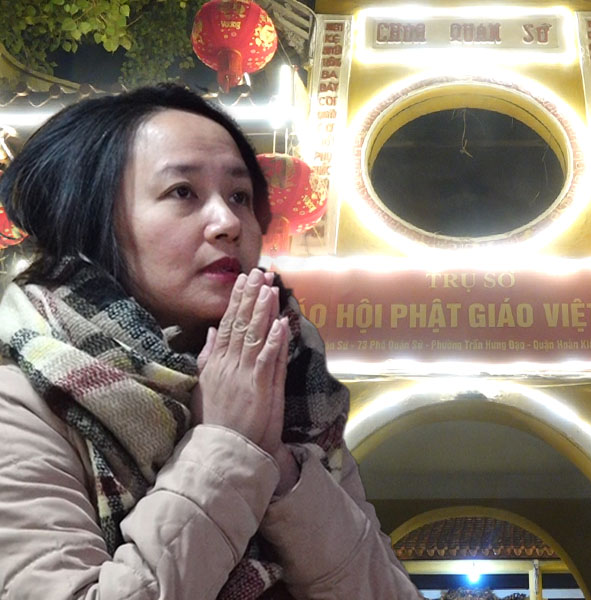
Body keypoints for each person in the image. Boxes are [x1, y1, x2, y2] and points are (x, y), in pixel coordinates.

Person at [0, 84, 422, 600]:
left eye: (240, 197)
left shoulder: (292, 391)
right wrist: (226, 446)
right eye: (183, 192)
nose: (228, 223)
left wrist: (282, 469)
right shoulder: (21, 402)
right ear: (91, 220)